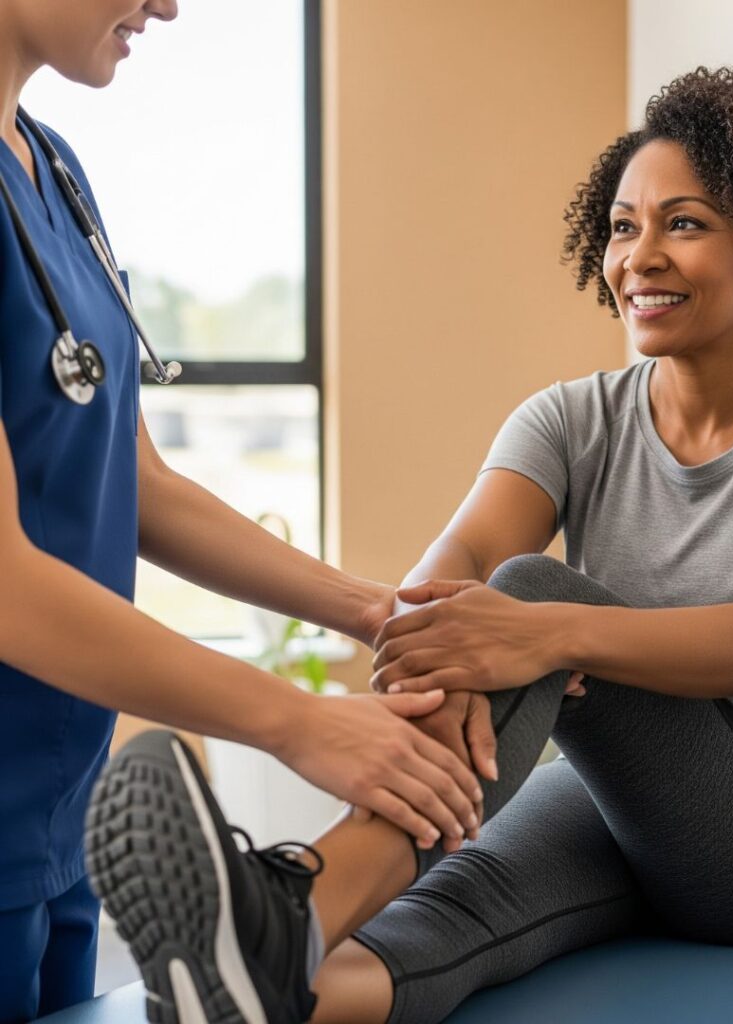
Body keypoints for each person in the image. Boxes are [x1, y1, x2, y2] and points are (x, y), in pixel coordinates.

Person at [87, 65, 733, 1024]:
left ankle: (295, 903)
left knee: (529, 593)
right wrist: (457, 644)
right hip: (624, 803)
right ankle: (255, 995)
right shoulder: (570, 418)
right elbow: (450, 582)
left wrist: (546, 635)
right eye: (622, 227)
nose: (640, 257)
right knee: (453, 904)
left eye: (684, 224)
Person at [0, 4, 488, 1021]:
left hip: (54, 813)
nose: (169, 4)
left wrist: (382, 612)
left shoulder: (53, 168)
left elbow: (135, 481)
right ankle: (283, 919)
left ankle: (277, 924)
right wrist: (298, 722)